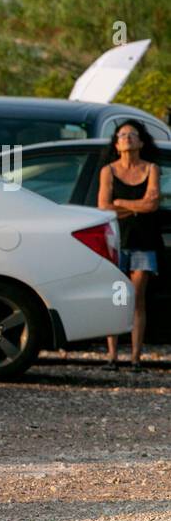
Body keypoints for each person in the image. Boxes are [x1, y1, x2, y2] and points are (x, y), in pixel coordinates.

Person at [98, 119, 160, 371]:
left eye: (132, 134)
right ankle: (112, 355)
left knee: (137, 299)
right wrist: (136, 207)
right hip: (116, 239)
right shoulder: (108, 171)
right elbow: (104, 207)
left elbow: (152, 204)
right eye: (122, 135)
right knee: (116, 297)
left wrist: (121, 203)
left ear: (141, 141)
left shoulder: (150, 168)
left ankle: (135, 358)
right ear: (116, 143)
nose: (127, 138)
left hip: (144, 240)